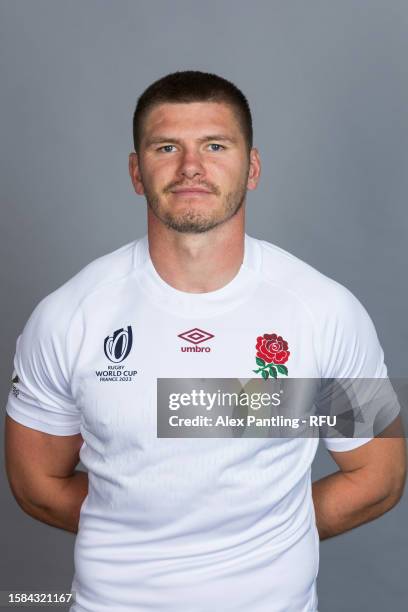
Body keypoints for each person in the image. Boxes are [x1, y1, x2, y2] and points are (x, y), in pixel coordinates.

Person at [5, 70, 406, 612]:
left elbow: (379, 477)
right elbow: (36, 484)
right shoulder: (68, 315)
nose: (191, 166)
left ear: (253, 167)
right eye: (166, 146)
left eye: (215, 145)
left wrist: (258, 534)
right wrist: (150, 530)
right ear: (136, 171)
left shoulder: (326, 312)